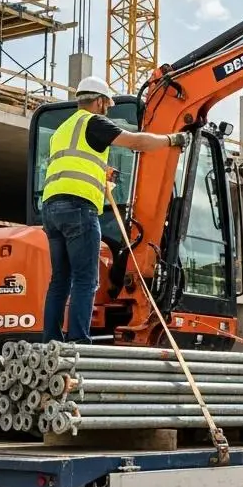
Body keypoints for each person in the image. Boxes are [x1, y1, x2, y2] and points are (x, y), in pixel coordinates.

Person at [41, 75, 189, 345]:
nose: (107, 110)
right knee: (86, 280)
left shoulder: (63, 130)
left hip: (51, 208)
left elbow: (73, 163)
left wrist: (103, 174)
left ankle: (51, 339)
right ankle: (79, 342)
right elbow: (137, 142)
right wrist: (172, 139)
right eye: (106, 105)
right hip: (79, 207)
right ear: (98, 102)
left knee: (60, 280)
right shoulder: (93, 121)